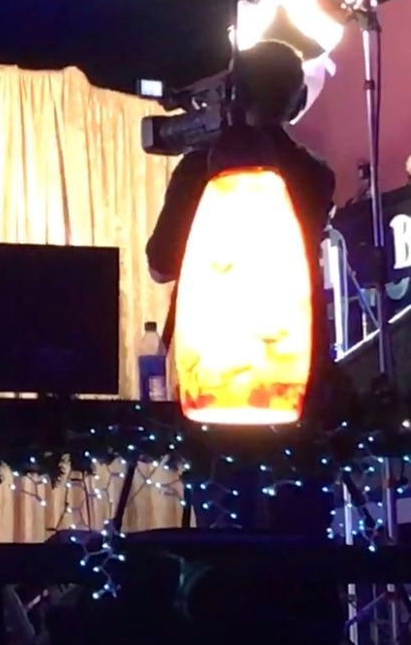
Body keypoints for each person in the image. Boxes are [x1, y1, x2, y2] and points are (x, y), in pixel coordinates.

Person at [146, 39, 336, 536]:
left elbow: (161, 264)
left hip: (215, 374)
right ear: (297, 100)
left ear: (232, 95)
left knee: (225, 539)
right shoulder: (315, 176)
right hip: (298, 371)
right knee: (302, 538)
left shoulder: (200, 169)